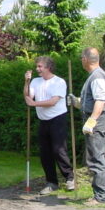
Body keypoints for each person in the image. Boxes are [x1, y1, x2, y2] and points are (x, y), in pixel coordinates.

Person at [67, 47, 105, 205]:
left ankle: (100, 197)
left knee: (96, 159)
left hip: (98, 123)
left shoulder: (97, 76)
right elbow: (92, 101)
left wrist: (92, 121)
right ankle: (104, 193)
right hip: (98, 121)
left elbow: (101, 101)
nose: (81, 61)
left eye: (81, 58)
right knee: (99, 157)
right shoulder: (95, 76)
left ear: (86, 59)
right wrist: (77, 102)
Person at [24, 56, 75, 196]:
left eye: (40, 66)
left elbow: (53, 101)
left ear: (49, 67)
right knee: (45, 153)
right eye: (37, 66)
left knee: (59, 150)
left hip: (58, 119)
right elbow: (27, 95)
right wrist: (26, 82)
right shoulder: (35, 81)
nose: (37, 69)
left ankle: (70, 178)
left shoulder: (59, 82)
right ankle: (52, 183)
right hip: (43, 120)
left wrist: (34, 104)